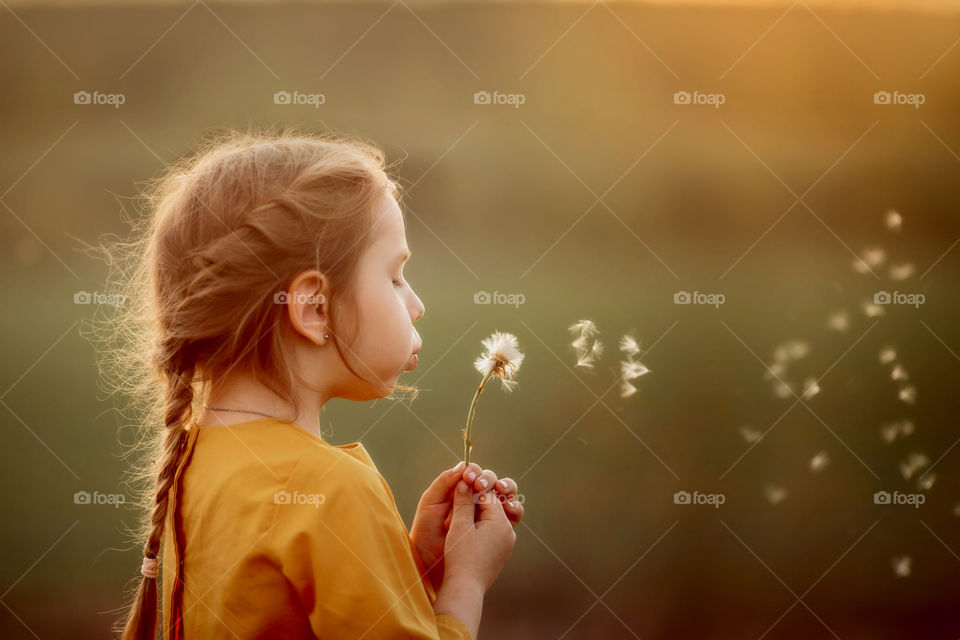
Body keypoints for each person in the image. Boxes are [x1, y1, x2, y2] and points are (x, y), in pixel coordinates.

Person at [107, 130, 524, 639]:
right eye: (395, 277)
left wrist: (410, 565)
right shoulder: (332, 493)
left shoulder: (195, 466)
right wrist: (466, 582)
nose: (417, 305)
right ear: (312, 307)